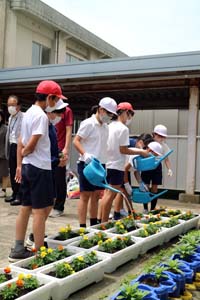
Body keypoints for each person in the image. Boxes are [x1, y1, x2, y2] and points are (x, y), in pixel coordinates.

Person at [8, 80, 66, 262]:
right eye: (56, 100)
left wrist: (22, 159)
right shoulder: (40, 116)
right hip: (39, 167)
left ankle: (18, 247)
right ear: (49, 97)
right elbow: (31, 143)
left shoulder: (27, 114)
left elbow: (21, 140)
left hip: (28, 167)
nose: (56, 104)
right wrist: (26, 152)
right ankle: (40, 253)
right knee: (40, 212)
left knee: (26, 208)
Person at [73, 97, 118, 227]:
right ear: (101, 110)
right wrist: (85, 154)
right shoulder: (88, 123)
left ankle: (93, 224)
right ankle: (82, 226)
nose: (110, 117)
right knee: (85, 196)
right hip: (87, 164)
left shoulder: (106, 127)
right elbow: (76, 141)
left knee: (96, 195)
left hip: (100, 165)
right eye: (109, 114)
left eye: (112, 115)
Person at [101, 102, 149, 222]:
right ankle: (103, 223)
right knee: (110, 196)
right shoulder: (123, 129)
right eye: (130, 114)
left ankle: (101, 221)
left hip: (107, 163)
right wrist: (141, 152)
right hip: (117, 165)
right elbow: (123, 149)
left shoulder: (109, 126)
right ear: (125, 112)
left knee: (107, 195)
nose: (130, 118)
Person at [113, 133, 153, 218]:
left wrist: (140, 182)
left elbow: (136, 170)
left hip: (123, 167)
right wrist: (127, 184)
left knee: (125, 191)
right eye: (145, 147)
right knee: (121, 191)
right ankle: (117, 213)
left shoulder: (139, 154)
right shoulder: (135, 152)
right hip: (117, 167)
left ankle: (131, 211)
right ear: (141, 142)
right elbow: (125, 169)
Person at [49, 98, 73, 218]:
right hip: (49, 148)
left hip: (60, 147)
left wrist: (66, 148)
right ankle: (50, 203)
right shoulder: (48, 110)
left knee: (59, 178)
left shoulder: (67, 111)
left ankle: (59, 206)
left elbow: (69, 130)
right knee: (49, 177)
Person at [141, 124, 173, 213]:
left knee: (154, 188)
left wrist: (169, 169)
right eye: (159, 136)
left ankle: (152, 209)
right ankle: (145, 208)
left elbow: (166, 159)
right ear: (153, 134)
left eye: (163, 137)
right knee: (146, 188)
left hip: (157, 167)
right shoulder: (148, 143)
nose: (161, 138)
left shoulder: (164, 145)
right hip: (146, 166)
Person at [5, 95, 23, 205]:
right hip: (12, 145)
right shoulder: (11, 117)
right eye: (9, 105)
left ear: (19, 106)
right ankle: (14, 193)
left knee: (19, 170)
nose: (10, 107)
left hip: (19, 146)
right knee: (12, 170)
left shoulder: (23, 117)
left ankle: (20, 196)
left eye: (13, 105)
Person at [0, 110, 9, 198]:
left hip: (3, 153)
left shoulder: (6, 128)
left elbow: (8, 141)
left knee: (4, 173)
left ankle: (4, 190)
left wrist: (7, 153)